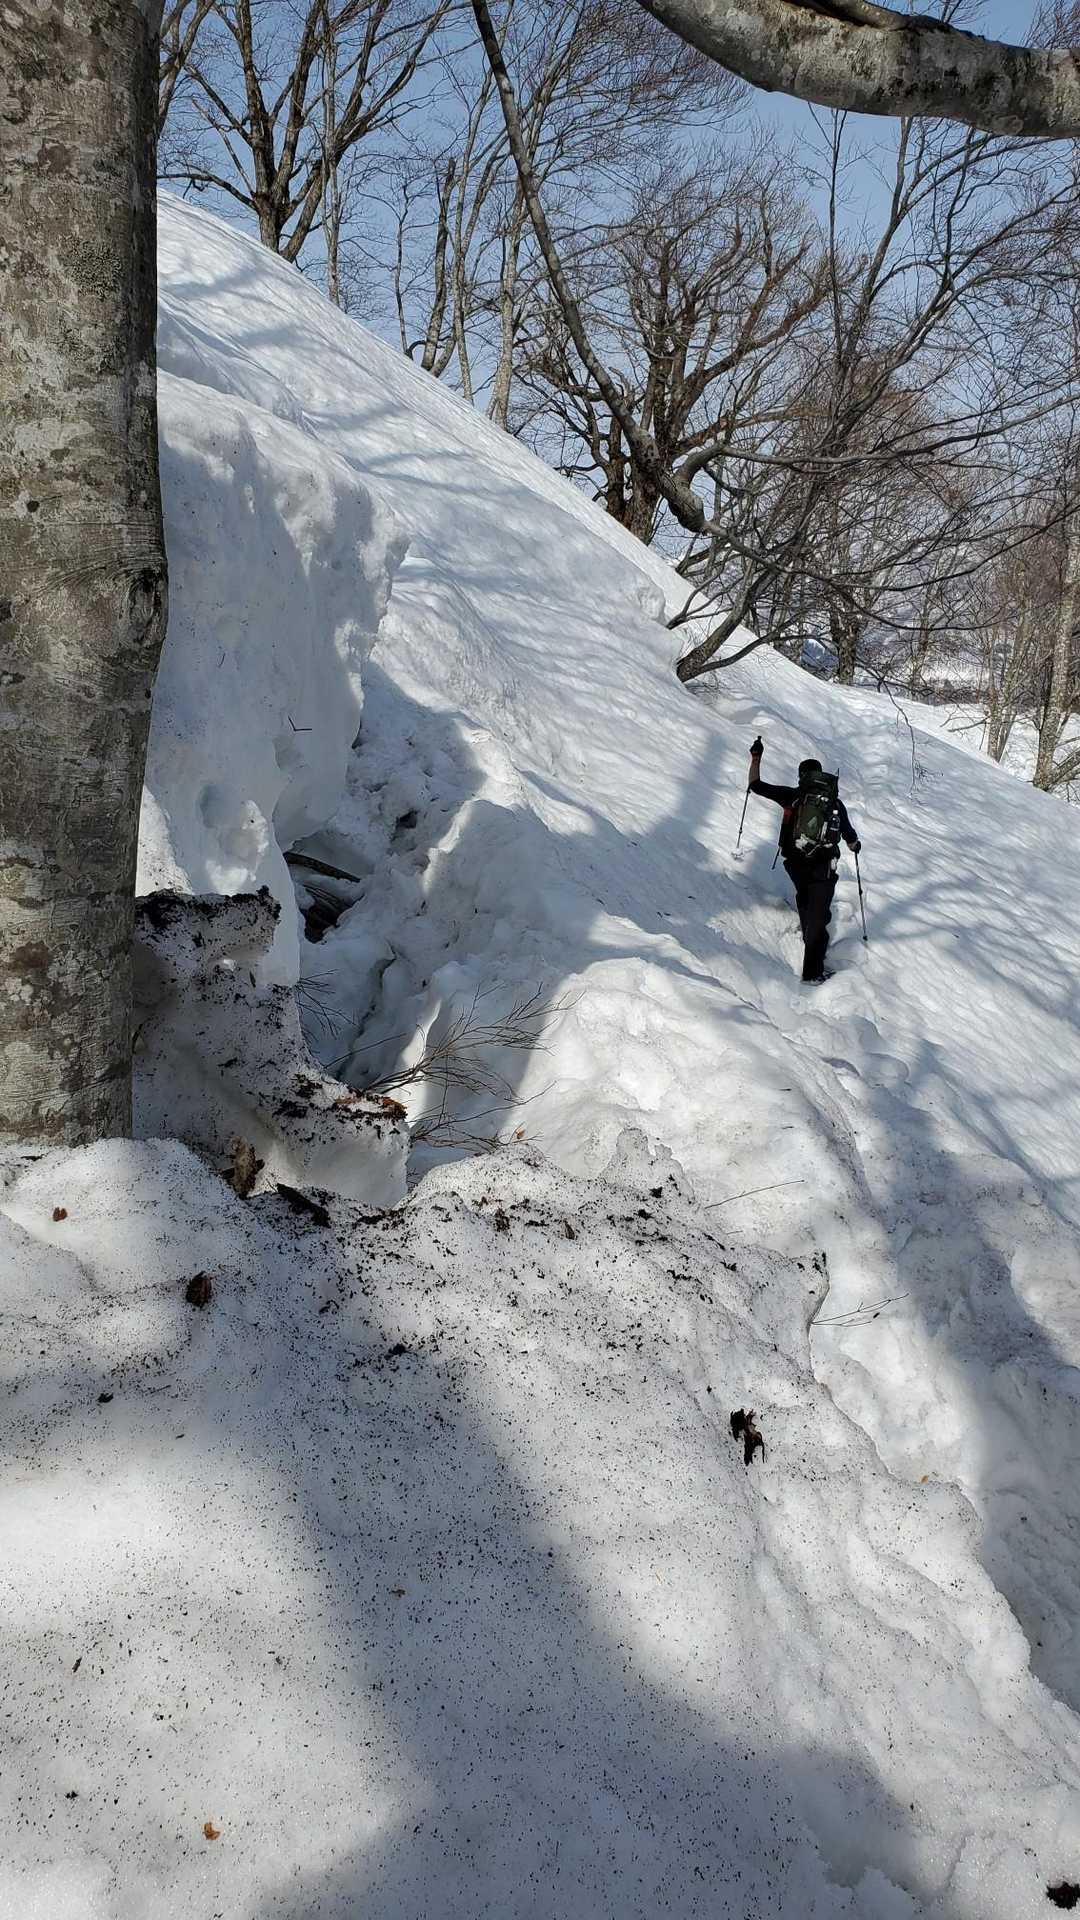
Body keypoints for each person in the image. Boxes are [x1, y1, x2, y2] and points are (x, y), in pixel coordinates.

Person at [747, 737, 861, 984]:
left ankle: (808, 936)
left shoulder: (792, 796)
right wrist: (855, 846)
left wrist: (756, 758)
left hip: (795, 864)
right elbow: (850, 837)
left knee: (805, 898)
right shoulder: (834, 803)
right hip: (823, 866)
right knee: (819, 917)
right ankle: (813, 974)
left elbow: (755, 785)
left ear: (801, 776)